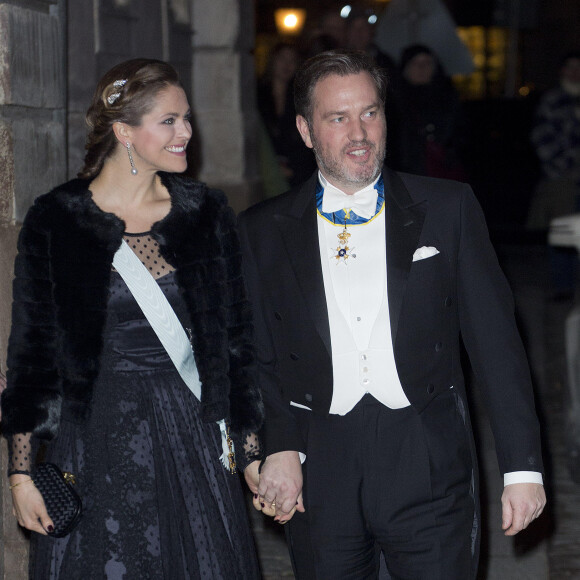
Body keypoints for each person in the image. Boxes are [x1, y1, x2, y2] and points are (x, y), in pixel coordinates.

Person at [238, 50, 546, 579]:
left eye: (371, 112)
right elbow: (255, 355)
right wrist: (273, 448)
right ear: (305, 131)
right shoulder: (262, 229)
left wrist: (523, 468)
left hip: (426, 455)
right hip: (321, 465)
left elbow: (498, 346)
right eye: (338, 118)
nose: (359, 133)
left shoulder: (447, 208)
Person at [1, 58, 263, 579]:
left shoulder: (206, 214)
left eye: (186, 118)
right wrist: (21, 475)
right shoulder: (57, 219)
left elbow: (237, 345)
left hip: (191, 436)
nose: (186, 131)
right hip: (96, 438)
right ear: (123, 131)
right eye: (168, 120)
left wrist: (252, 455)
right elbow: (32, 357)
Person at [528, 51, 580, 300]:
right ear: (562, 71)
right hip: (562, 178)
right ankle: (563, 286)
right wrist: (563, 166)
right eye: (570, 67)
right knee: (562, 232)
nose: (575, 73)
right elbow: (542, 139)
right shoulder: (553, 100)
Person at [389, 44, 468, 181]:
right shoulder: (393, 102)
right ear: (405, 68)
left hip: (443, 173)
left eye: (427, 63)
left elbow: (461, 135)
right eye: (415, 63)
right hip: (405, 174)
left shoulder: (448, 98)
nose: (422, 68)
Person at [257, 42, 315, 189]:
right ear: (273, 61)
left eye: (292, 61)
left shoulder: (301, 99)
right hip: (264, 167)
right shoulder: (258, 94)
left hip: (296, 172)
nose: (287, 65)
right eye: (282, 59)